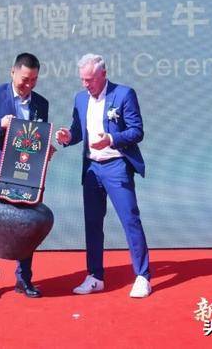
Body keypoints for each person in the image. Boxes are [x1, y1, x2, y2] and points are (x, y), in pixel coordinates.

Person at [55, 53, 151, 298]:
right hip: (92, 168)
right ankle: (95, 277)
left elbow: (136, 131)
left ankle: (142, 276)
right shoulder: (80, 98)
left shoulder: (124, 94)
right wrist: (68, 136)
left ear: (103, 75)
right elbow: (78, 131)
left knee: (130, 219)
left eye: (90, 79)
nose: (86, 84)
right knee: (93, 223)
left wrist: (111, 138)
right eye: (83, 79)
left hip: (116, 165)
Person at [0, 52, 49, 300]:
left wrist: (46, 149)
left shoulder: (41, 103)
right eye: (25, 79)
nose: (29, 85)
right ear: (12, 72)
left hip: (26, 173)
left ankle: (24, 280)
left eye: (33, 80)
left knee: (26, 225)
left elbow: (37, 137)